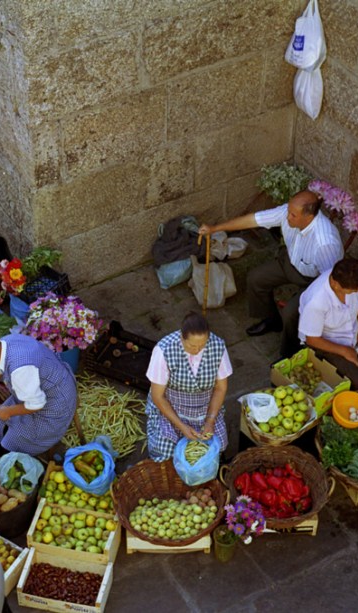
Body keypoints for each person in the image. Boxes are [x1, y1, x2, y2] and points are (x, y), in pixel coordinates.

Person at [199, 189, 343, 358]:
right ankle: (271, 319)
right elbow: (253, 220)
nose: (287, 217)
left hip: (317, 281)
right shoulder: (289, 212)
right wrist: (215, 228)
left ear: (309, 217)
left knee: (291, 312)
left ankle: (290, 353)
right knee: (256, 278)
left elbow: (332, 282)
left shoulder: (325, 242)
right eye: (288, 212)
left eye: (293, 215)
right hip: (290, 263)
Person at [0, 331, 77, 456]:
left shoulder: (20, 370)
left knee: (12, 441)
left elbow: (36, 405)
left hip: (56, 403)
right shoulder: (5, 342)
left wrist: (9, 411)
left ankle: (4, 453)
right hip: (45, 385)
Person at [145, 312, 231, 461]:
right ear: (181, 337)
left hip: (205, 407)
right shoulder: (164, 350)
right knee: (165, 450)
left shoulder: (218, 346)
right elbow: (157, 396)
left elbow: (220, 388)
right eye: (192, 345)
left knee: (220, 445)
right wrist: (181, 426)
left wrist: (210, 420)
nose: (198, 350)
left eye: (202, 345)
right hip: (172, 407)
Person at [298, 258, 358, 390]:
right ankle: (355, 387)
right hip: (326, 341)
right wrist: (344, 351)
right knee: (356, 381)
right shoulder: (317, 302)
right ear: (336, 284)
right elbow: (312, 339)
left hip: (353, 326)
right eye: (352, 291)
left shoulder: (353, 279)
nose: (355, 293)